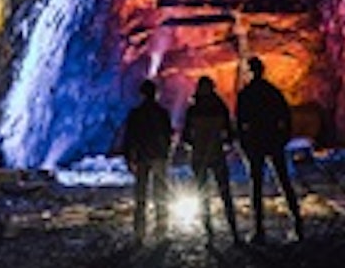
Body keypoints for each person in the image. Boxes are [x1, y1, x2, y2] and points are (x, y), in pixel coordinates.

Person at [235, 56, 303, 242]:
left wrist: (244, 144)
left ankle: (259, 230)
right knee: (284, 182)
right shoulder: (272, 92)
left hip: (256, 143)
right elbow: (285, 116)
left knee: (256, 186)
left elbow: (240, 123)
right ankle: (297, 225)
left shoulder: (246, 94)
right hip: (273, 141)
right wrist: (283, 138)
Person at [182, 75, 241, 244]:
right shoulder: (219, 106)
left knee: (204, 195)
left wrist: (196, 144)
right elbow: (230, 133)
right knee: (224, 193)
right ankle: (233, 232)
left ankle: (210, 234)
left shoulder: (193, 109)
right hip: (215, 154)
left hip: (200, 156)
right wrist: (221, 142)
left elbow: (186, 136)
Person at [121, 78, 173, 243]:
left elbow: (129, 138)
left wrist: (129, 158)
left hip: (143, 157)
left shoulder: (136, 114)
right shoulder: (162, 113)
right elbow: (168, 135)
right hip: (158, 157)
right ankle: (161, 230)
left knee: (141, 195)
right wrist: (166, 154)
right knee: (160, 194)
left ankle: (139, 233)